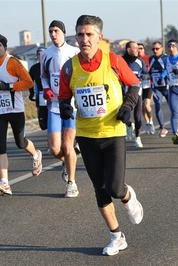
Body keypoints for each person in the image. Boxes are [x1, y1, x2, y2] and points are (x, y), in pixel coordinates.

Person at [58, 14, 143, 256]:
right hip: (86, 135)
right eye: (80, 34)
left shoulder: (113, 60)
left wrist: (127, 106)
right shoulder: (69, 67)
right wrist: (65, 106)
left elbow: (135, 84)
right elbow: (64, 96)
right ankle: (117, 237)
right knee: (100, 189)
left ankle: (128, 196)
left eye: (89, 34)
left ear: (99, 37)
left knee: (115, 188)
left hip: (113, 132)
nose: (84, 39)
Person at [0, 33, 43, 196]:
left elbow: (28, 82)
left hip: (15, 110)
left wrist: (9, 86)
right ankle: (5, 183)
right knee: (0, 146)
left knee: (20, 143)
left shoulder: (12, 62)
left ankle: (35, 154)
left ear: (4, 48)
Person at [40, 20, 80, 198]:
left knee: (67, 145)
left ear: (63, 32)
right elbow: (44, 77)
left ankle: (71, 184)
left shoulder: (75, 52)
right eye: (50, 31)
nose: (53, 34)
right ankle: (67, 162)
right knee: (55, 149)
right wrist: (47, 88)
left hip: (70, 106)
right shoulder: (45, 54)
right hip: (54, 106)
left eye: (56, 30)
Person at [122, 41, 149, 148]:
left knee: (137, 116)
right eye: (135, 48)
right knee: (122, 114)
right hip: (124, 92)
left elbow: (145, 73)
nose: (138, 50)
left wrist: (144, 76)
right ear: (128, 50)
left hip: (137, 91)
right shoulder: (121, 61)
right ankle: (129, 124)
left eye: (138, 48)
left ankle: (137, 138)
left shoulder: (140, 61)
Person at [149, 41, 169, 137]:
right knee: (157, 105)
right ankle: (162, 127)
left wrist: (163, 77)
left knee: (172, 106)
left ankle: (176, 122)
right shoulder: (151, 59)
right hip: (157, 87)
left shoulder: (166, 58)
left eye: (157, 49)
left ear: (162, 49)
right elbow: (150, 71)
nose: (155, 51)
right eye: (153, 49)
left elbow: (169, 70)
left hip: (167, 87)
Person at [28, 46, 48, 130]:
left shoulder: (51, 65)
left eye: (42, 54)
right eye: (38, 54)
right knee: (43, 125)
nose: (40, 56)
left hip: (53, 96)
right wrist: (31, 93)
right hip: (41, 97)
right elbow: (29, 81)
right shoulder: (34, 68)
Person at [139, 44, 155, 135]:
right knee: (142, 107)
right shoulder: (135, 60)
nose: (139, 50)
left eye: (141, 48)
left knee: (147, 105)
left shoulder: (149, 59)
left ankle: (151, 122)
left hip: (148, 85)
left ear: (144, 49)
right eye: (137, 49)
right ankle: (147, 123)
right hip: (139, 86)